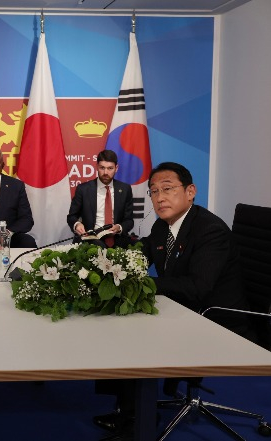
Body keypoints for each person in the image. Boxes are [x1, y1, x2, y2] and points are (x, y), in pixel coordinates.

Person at [92, 162, 252, 439]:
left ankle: (136, 420)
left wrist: (139, 283)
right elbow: (141, 253)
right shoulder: (164, 225)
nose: (159, 197)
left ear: (190, 191)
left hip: (217, 318)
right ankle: (127, 408)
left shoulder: (208, 230)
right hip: (188, 308)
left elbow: (196, 287)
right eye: (153, 191)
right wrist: (108, 257)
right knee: (117, 318)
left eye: (167, 189)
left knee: (133, 331)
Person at [67, 149, 134, 248]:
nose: (105, 172)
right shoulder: (83, 189)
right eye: (102, 168)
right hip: (90, 239)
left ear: (116, 168)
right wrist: (77, 224)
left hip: (116, 239)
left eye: (110, 168)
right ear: (97, 167)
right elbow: (71, 217)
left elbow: (129, 220)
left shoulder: (125, 189)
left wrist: (119, 228)